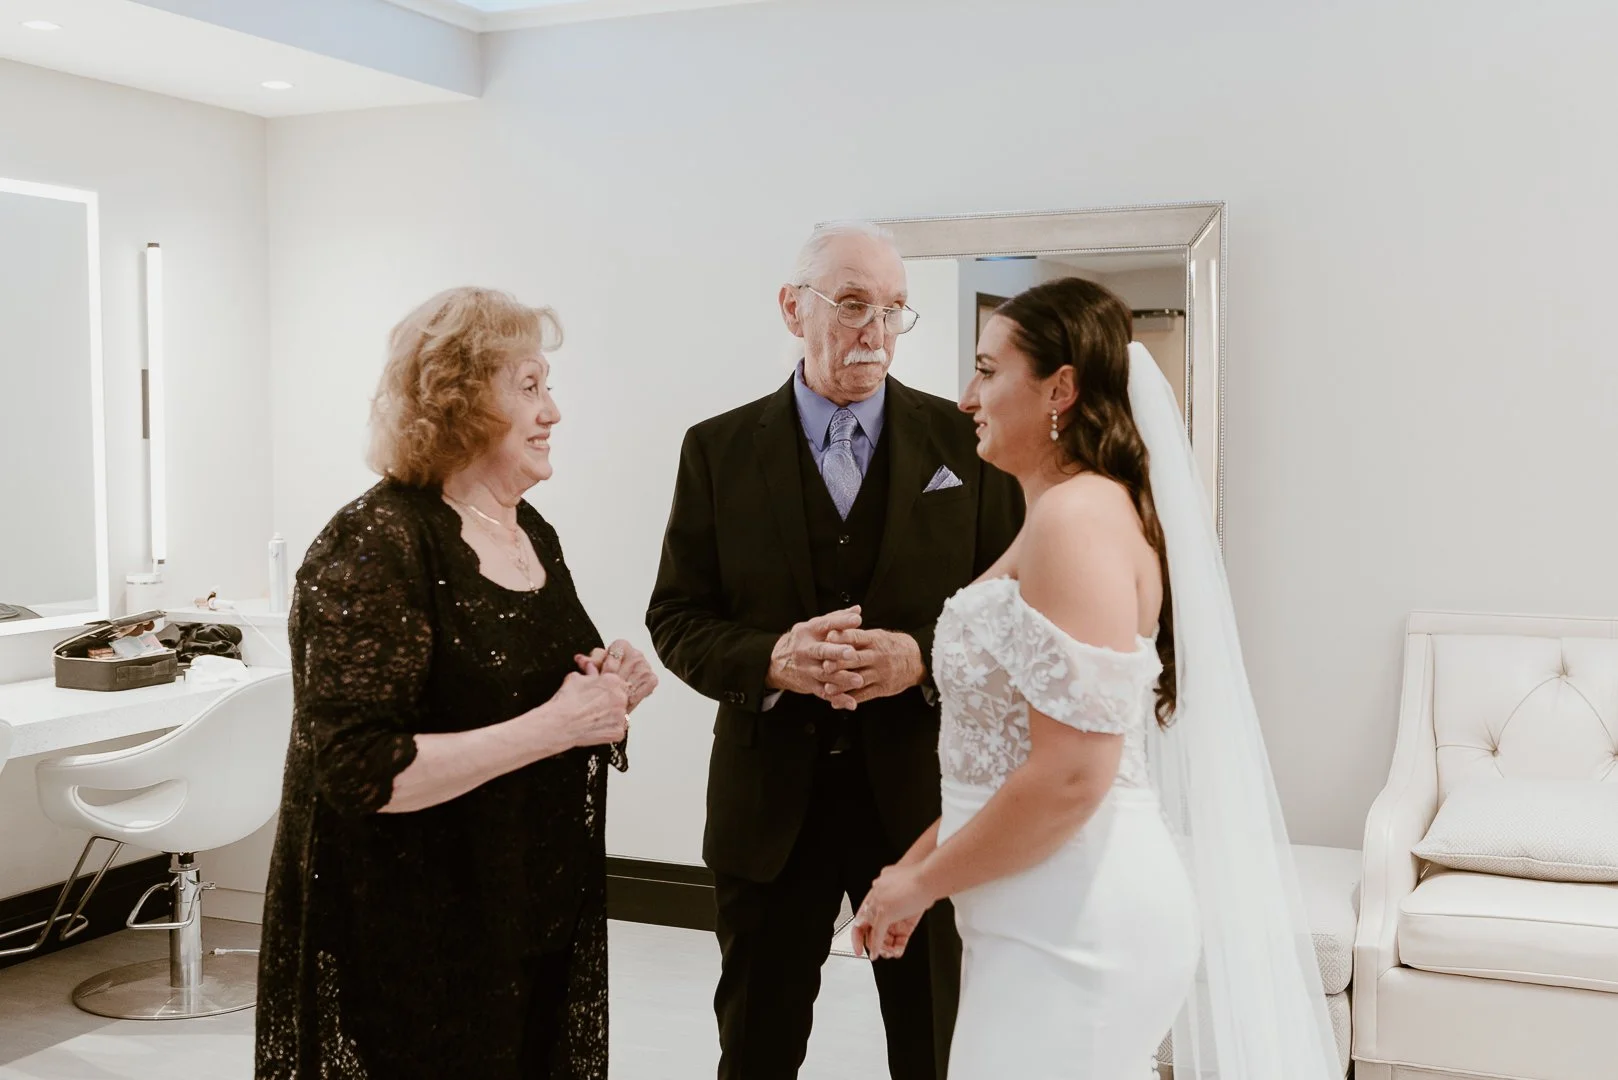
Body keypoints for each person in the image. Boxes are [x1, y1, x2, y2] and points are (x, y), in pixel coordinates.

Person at [852, 278, 1340, 1080]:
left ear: (1061, 388)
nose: (967, 397)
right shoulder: (1057, 515)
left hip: (1074, 923)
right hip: (1032, 912)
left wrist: (923, 885)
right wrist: (912, 873)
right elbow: (1002, 763)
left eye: (988, 371)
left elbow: (1075, 775)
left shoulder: (1077, 519)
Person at [646, 222, 1024, 1080]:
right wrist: (770, 660)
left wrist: (918, 659)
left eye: (894, 310)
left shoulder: (965, 445)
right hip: (768, 810)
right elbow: (676, 616)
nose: (876, 332)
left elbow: (1013, 615)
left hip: (923, 809)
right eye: (853, 304)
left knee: (934, 1050)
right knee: (756, 1051)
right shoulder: (717, 450)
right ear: (794, 309)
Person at [255, 287, 659, 1080]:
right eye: (530, 387)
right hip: (415, 939)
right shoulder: (376, 543)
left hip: (526, 915)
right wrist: (558, 724)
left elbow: (529, 692)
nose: (553, 412)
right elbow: (360, 770)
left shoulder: (529, 531)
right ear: (461, 402)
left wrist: (608, 689)